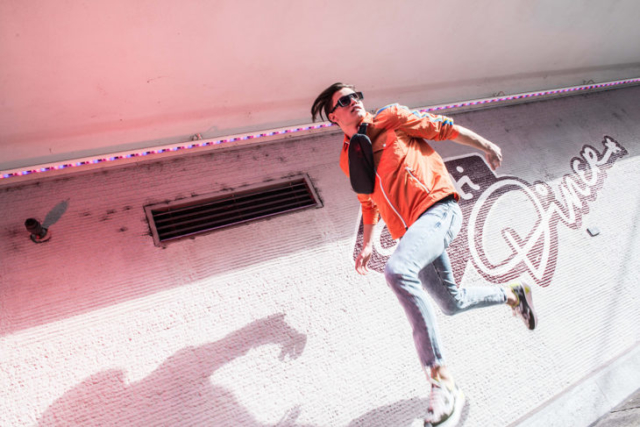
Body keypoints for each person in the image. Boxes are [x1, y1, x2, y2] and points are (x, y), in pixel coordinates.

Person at [311, 83, 538, 427]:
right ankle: (513, 294)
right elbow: (368, 201)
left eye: (356, 95)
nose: (353, 101)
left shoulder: (390, 118)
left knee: (397, 271)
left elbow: (442, 128)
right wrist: (367, 243)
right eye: (344, 100)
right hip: (412, 234)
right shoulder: (349, 157)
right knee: (451, 303)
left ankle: (442, 381)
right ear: (333, 116)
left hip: (438, 209)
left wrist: (486, 145)